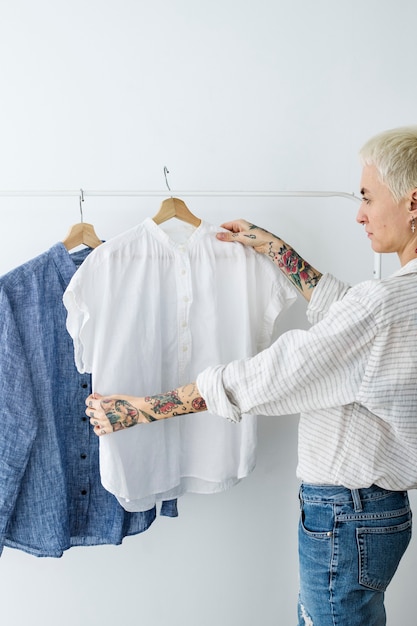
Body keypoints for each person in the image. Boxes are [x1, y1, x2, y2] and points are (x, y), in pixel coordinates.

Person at [86, 126, 417, 626]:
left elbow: (281, 371)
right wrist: (276, 250)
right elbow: (353, 320)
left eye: (368, 197)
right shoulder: (399, 299)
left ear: (413, 202)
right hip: (376, 513)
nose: (359, 213)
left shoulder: (385, 304)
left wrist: (145, 409)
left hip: (348, 516)